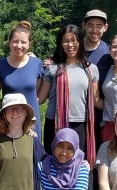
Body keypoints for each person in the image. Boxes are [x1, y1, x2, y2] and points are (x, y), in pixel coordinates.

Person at [37, 24, 99, 160]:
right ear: (60, 43)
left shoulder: (91, 69)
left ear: (80, 42)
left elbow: (96, 100)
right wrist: (33, 66)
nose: (70, 44)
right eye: (66, 40)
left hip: (80, 124)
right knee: (54, 162)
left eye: (74, 40)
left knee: (78, 163)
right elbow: (40, 99)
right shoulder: (52, 69)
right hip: (54, 123)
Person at [0, 21, 44, 136]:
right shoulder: (0, 65)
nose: (19, 46)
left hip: (32, 122)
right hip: (9, 122)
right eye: (15, 41)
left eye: (23, 42)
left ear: (29, 44)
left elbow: (38, 94)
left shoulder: (37, 64)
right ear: (9, 42)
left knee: (33, 153)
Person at [82, 9, 113, 129]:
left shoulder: (110, 53)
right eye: (90, 25)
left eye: (99, 26)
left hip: (101, 117)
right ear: (84, 26)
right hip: (75, 115)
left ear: (105, 27)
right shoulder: (73, 49)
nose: (94, 30)